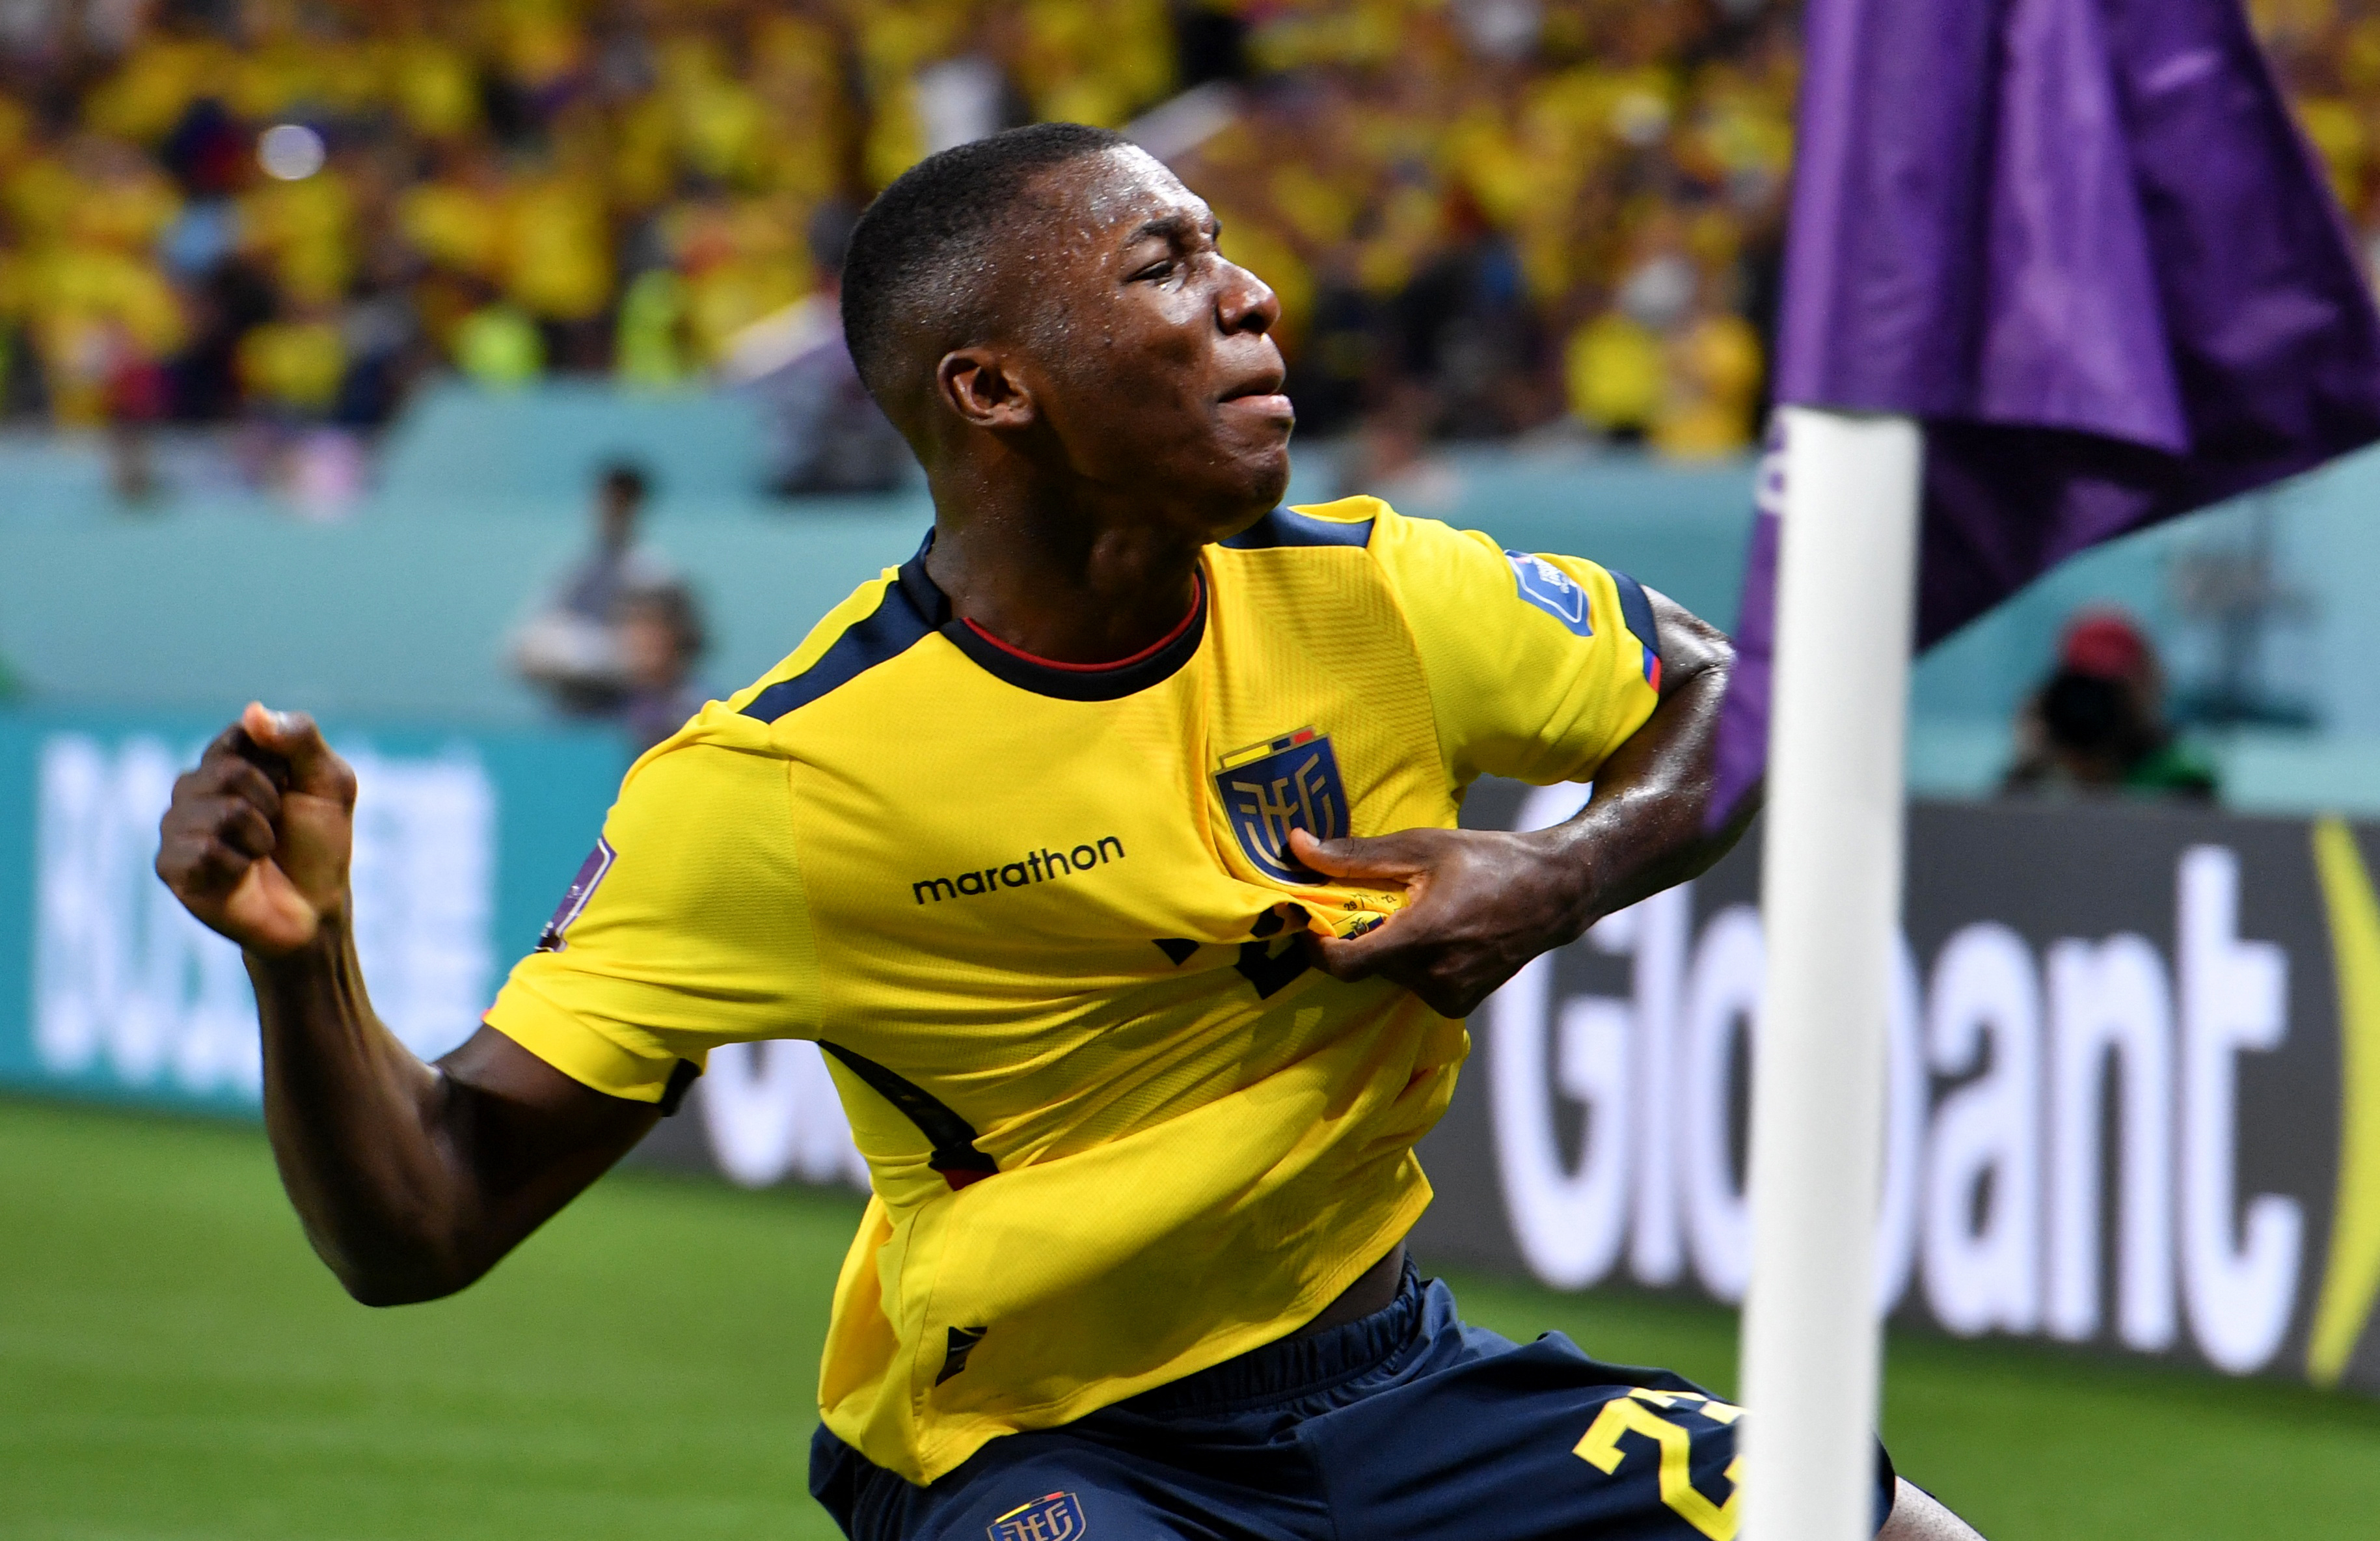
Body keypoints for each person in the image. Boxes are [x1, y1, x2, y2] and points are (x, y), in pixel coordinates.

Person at [156, 125, 1981, 1540]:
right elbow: (428, 1220)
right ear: (994, 390)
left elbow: (1737, 695)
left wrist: (1562, 871)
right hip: (1033, 1451)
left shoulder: (1384, 593)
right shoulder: (785, 782)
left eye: (1227, 252)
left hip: (1390, 1374)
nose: (1249, 293)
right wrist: (308, 975)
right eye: (1163, 265)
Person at [2002, 607, 2218, 802]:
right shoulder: (2037, 777)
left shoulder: (2181, 778)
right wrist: (2032, 766)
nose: (2090, 709)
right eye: (2085, 689)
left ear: (2150, 685)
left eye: (2113, 690)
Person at [508, 461, 674, 715]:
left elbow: (650, 660)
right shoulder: (577, 566)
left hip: (630, 711)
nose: (612, 510)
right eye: (608, 500)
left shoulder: (652, 572)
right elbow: (523, 651)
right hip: (573, 705)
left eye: (622, 502)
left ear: (637, 506)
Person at [614, 580, 709, 757]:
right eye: (634, 626)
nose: (643, 639)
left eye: (654, 626)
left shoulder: (704, 708)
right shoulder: (607, 706)